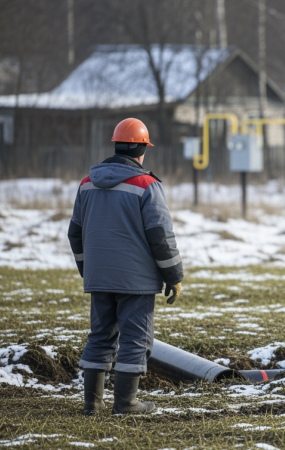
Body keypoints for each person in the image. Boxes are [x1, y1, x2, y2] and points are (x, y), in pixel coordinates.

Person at [68, 118, 183, 415]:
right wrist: (174, 276)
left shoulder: (86, 184)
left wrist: (88, 270)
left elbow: (75, 233)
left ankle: (91, 404)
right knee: (135, 339)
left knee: (100, 336)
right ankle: (126, 403)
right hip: (137, 280)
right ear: (142, 149)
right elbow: (160, 236)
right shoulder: (147, 185)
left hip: (99, 277)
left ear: (116, 145)